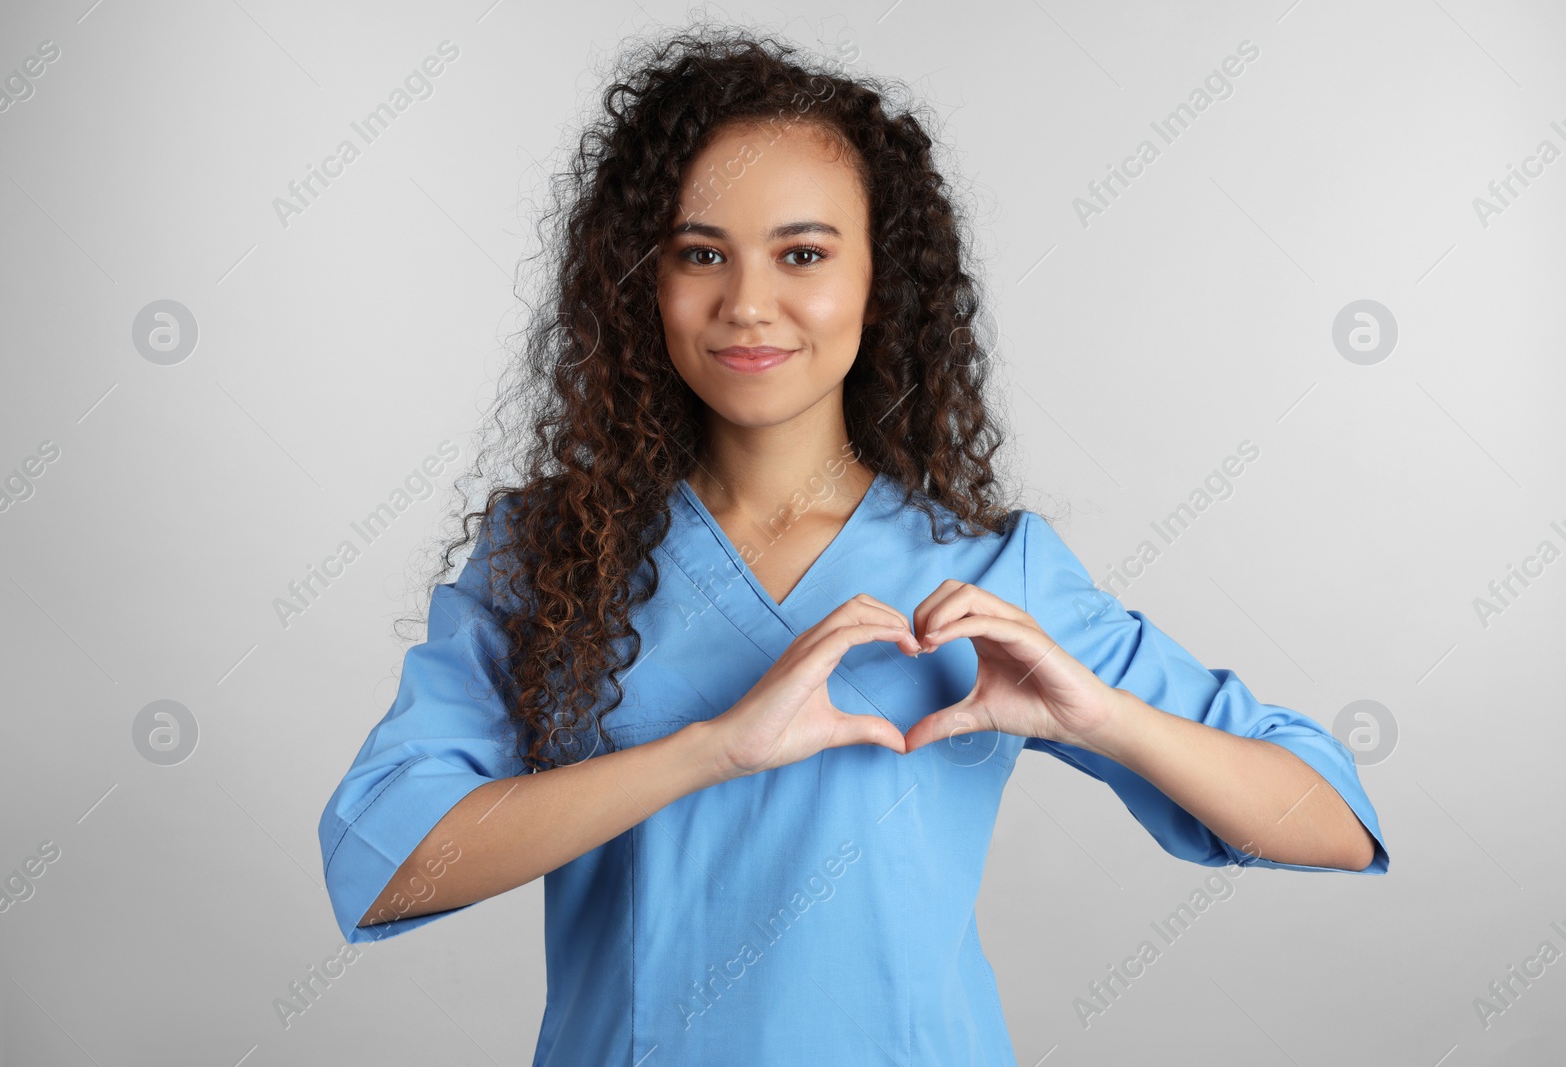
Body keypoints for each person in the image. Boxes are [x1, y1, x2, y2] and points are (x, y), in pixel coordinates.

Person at [317, 24, 1388, 1065]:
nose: (747, 304)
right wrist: (711, 747)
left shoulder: (984, 576)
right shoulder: (548, 557)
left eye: (803, 253)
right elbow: (383, 864)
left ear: (881, 280)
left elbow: (1330, 818)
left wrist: (1101, 717)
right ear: (641, 279)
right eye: (701, 253)